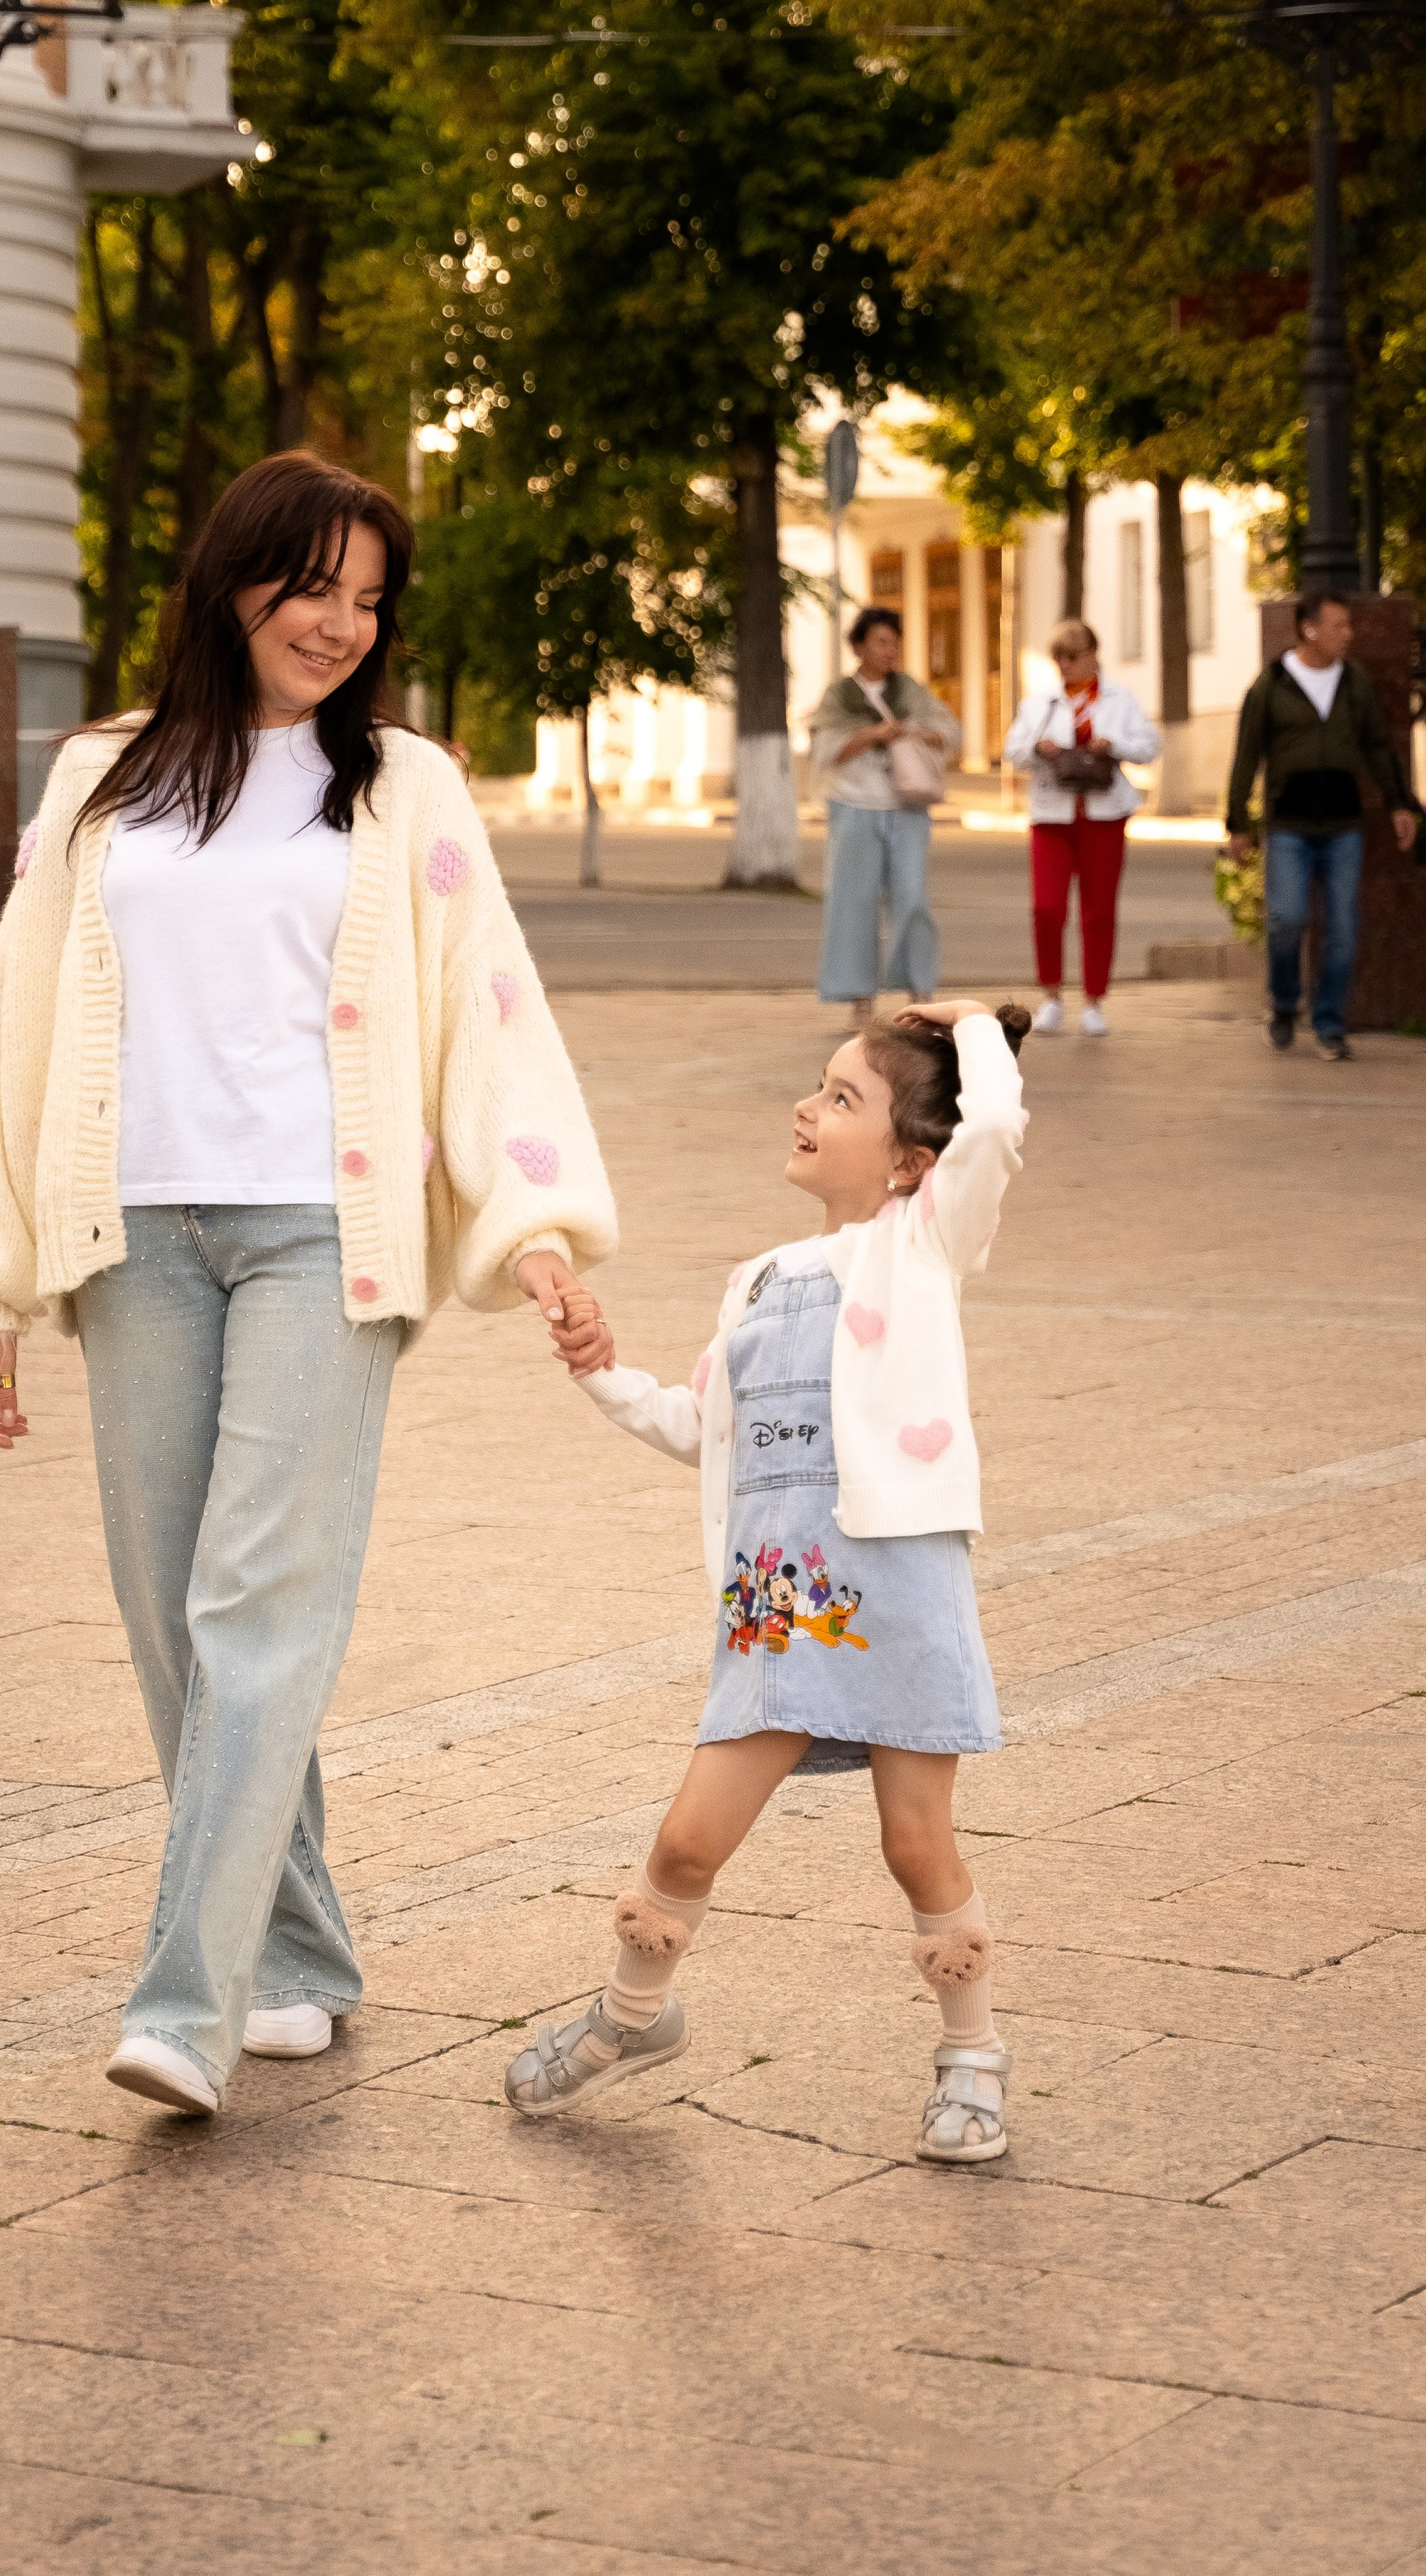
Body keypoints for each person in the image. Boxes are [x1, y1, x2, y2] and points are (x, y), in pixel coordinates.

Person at [0, 451, 617, 2123]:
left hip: (326, 1233)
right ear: (232, 579)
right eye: (315, 586)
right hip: (129, 1236)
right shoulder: (99, 777)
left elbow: (482, 1014)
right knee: (174, 1619)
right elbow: (13, 1021)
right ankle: (299, 1956)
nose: (340, 624)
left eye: (370, 601)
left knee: (256, 1603)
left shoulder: (405, 790)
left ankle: (189, 2000)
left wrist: (530, 1229)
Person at [505, 997, 1030, 2170]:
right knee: (687, 1844)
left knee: (916, 1846)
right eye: (817, 1085)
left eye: (844, 1097)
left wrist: (977, 1027)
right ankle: (632, 2018)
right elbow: (705, 1426)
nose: (808, 1105)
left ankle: (973, 2057)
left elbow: (992, 1129)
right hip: (777, 1608)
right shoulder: (756, 1279)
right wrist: (601, 1374)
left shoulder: (925, 1243)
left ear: (908, 1162)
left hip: (897, 1590)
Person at [1227, 588, 1415, 1063]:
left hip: (1343, 825)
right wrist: (1238, 823)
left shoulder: (1354, 682)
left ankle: (1330, 1023)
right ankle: (1286, 1005)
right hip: (1288, 825)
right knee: (1287, 919)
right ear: (1308, 629)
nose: (1348, 634)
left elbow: (1377, 746)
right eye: (1339, 626)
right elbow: (1247, 754)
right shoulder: (1271, 684)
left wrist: (1398, 805)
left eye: (1348, 626)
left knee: (1344, 928)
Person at [1004, 617, 1161, 1037]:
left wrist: (1115, 745)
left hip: (1104, 815)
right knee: (1047, 908)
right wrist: (1038, 747)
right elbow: (1012, 750)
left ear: (1093, 655)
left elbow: (1149, 746)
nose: (1065, 665)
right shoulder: (1042, 703)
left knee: (1098, 910)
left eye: (1073, 657)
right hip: (1052, 815)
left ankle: (1094, 1000)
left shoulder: (1118, 699)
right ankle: (1051, 995)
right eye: (1058, 657)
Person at [810, 605, 963, 1022]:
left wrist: (915, 732)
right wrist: (874, 734)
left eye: (895, 642)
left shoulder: (910, 691)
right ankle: (860, 1000)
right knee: (853, 903)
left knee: (913, 897)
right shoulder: (839, 696)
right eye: (880, 641)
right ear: (858, 645)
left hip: (907, 806)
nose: (889, 650)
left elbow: (949, 733)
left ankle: (921, 995)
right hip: (854, 806)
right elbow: (826, 752)